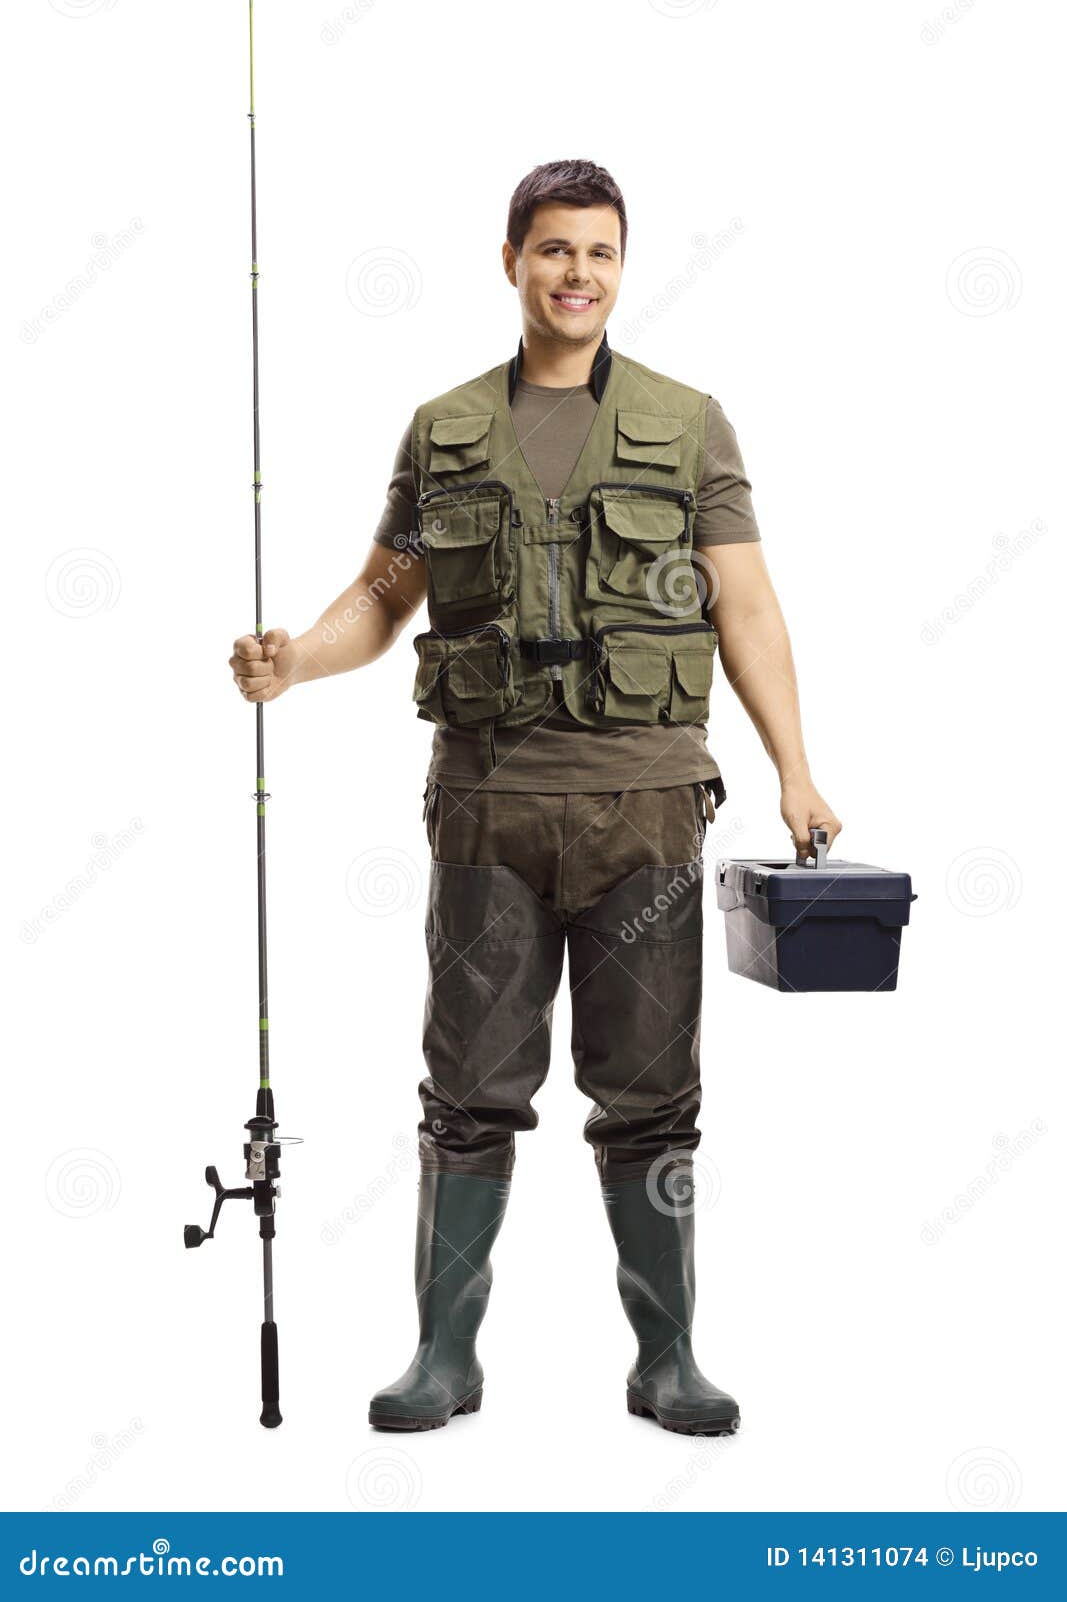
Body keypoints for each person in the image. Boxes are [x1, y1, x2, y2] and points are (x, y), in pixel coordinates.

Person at [229, 160, 841, 1437]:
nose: (576, 274)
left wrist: (793, 767)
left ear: (623, 266)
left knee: (652, 1093)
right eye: (554, 250)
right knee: (466, 1088)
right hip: (486, 810)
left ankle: (666, 1360)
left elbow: (745, 604)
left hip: (646, 812)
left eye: (600, 253)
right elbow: (382, 596)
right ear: (508, 259)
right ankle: (441, 1358)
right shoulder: (444, 427)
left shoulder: (687, 423)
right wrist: (297, 659)